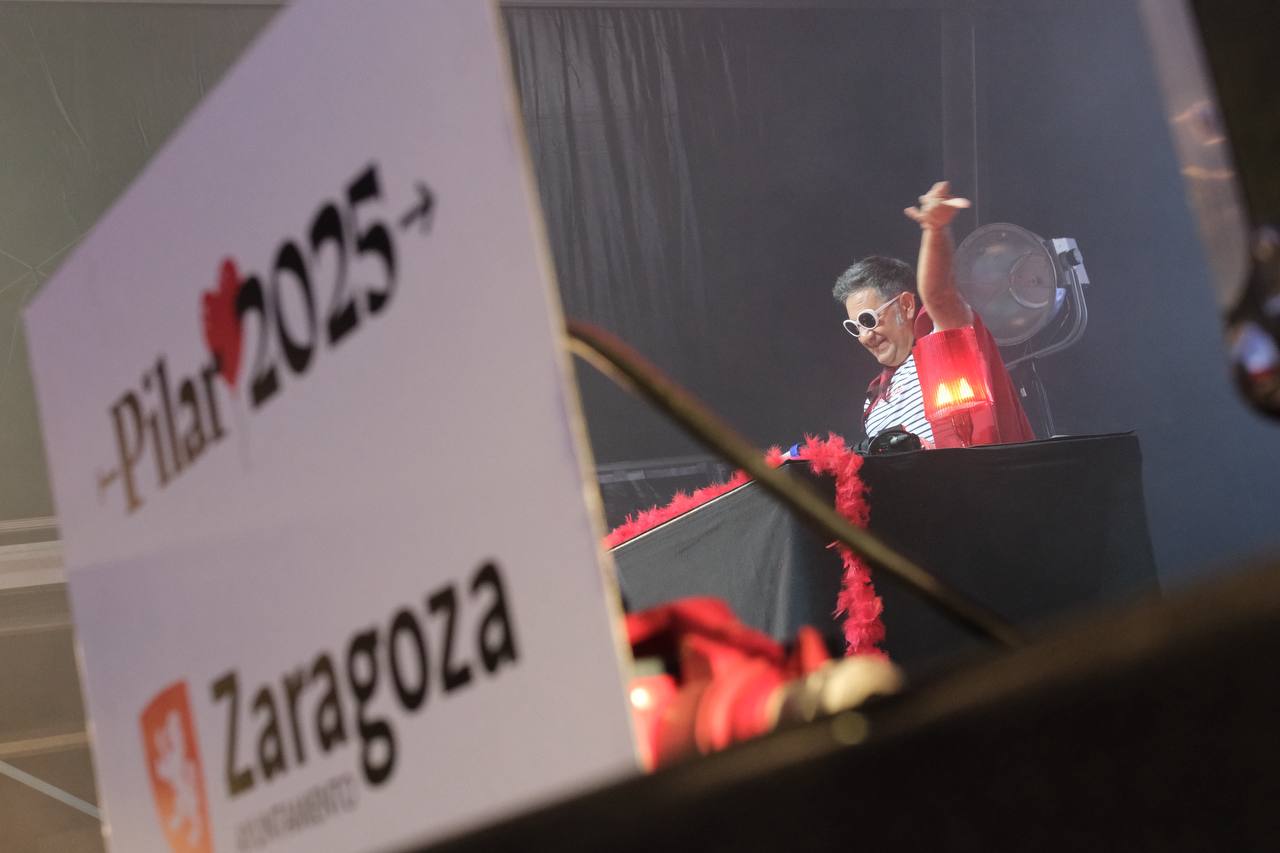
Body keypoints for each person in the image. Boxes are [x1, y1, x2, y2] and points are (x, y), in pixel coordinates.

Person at [833, 181, 1034, 446]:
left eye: (868, 320)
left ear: (906, 305)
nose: (865, 336)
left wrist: (934, 229)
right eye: (855, 327)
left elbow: (939, 295)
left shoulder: (947, 344)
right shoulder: (874, 402)